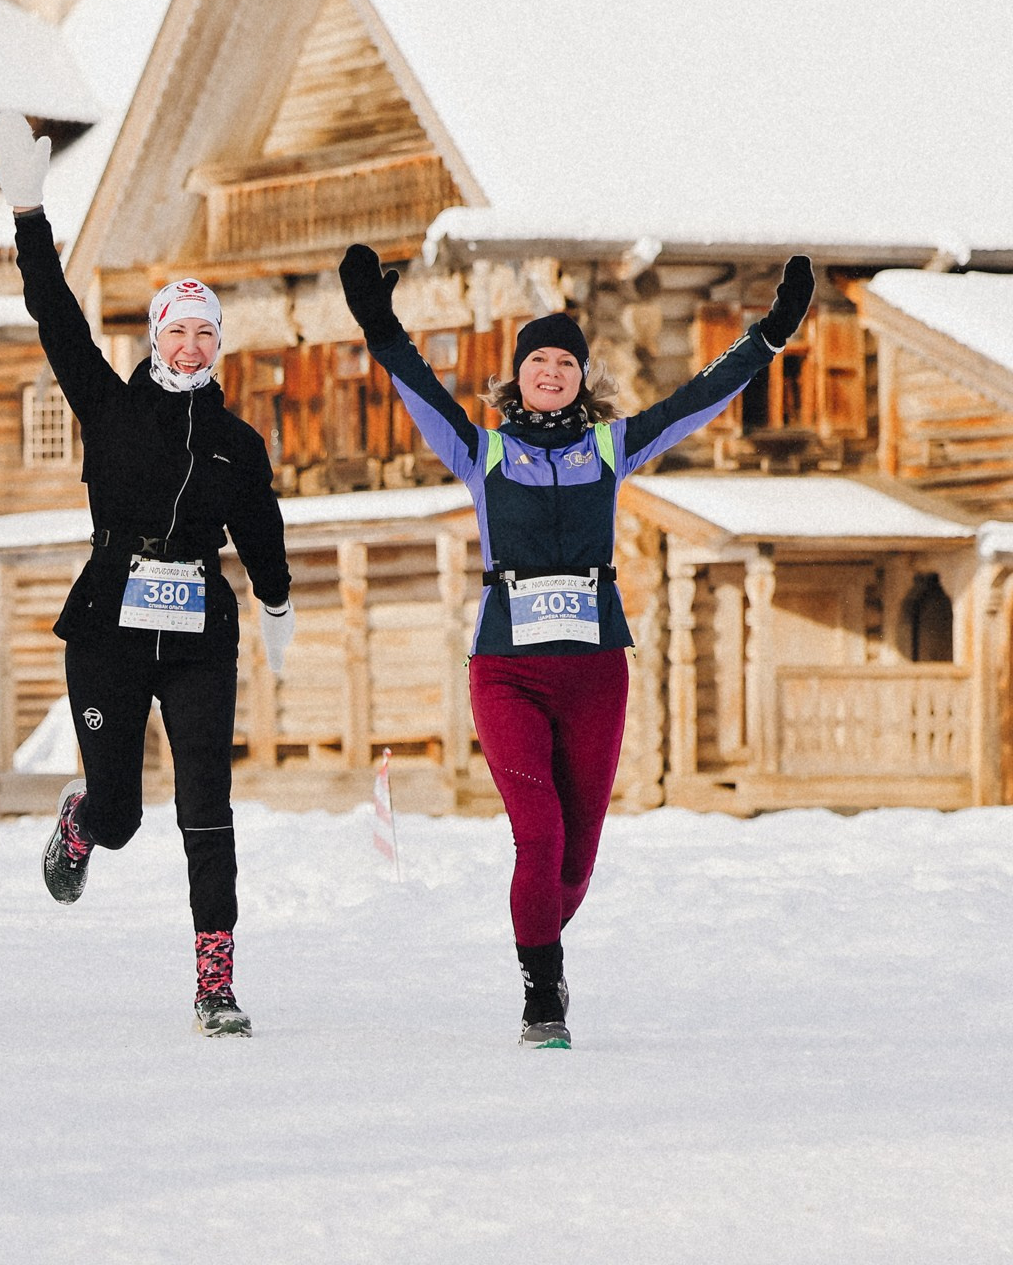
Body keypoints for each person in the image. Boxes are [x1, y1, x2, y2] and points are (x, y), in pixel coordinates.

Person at [340, 243, 809, 1047]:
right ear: (516, 376)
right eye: (538, 361)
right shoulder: (481, 452)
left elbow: (699, 399)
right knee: (540, 833)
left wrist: (770, 334)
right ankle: (541, 998)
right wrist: (379, 325)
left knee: (575, 863)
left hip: (595, 673)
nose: (550, 372)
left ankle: (540, 937)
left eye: (565, 361)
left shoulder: (608, 449)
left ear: (581, 378)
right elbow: (418, 390)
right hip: (507, 669)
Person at [0, 111, 295, 1039]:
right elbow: (55, 316)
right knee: (123, 812)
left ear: (219, 346)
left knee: (207, 801)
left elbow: (263, 526)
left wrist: (276, 603)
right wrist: (29, 213)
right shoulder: (110, 407)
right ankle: (84, 819)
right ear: (158, 338)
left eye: (207, 334)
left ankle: (216, 980)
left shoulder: (238, 443)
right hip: (111, 629)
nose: (193, 347)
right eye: (180, 331)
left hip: (201, 633)